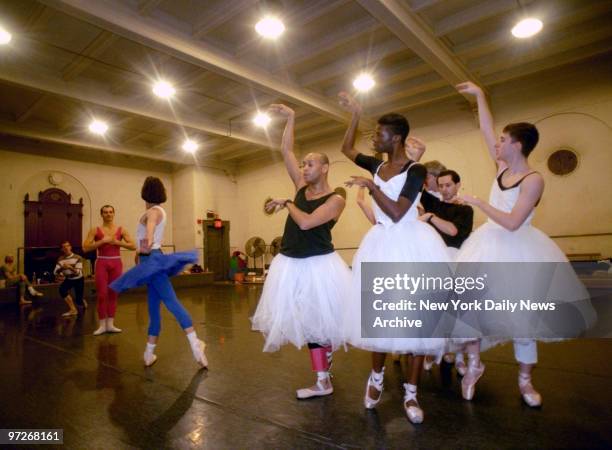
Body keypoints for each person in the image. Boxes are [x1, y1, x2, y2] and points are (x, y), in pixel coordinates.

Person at [453, 81, 596, 406]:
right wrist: (480, 97)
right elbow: (486, 130)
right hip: (486, 246)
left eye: (503, 140)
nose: (497, 144)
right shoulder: (501, 166)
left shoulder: (534, 180)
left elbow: (513, 221)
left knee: (524, 321)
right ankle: (474, 365)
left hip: (519, 248)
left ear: (517, 145)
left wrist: (478, 202)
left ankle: (525, 381)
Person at [338, 91, 450, 424]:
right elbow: (346, 149)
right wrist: (355, 114)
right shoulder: (377, 164)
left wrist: (372, 189)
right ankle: (376, 377)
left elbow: (400, 212)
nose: (375, 139)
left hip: (410, 244)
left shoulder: (415, 171)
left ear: (396, 137)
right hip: (380, 244)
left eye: (380, 134)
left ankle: (412, 393)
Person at [251, 103, 351, 399]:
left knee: (317, 322)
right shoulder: (298, 185)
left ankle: (323, 380)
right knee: (310, 323)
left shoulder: (336, 199)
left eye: (310, 164)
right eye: (304, 164)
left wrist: (286, 203)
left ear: (325, 168)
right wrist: (292, 118)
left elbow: (307, 223)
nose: (304, 168)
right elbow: (286, 151)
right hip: (290, 263)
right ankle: (323, 373)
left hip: (319, 265)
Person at [110, 177, 207, 369]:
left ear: (145, 192)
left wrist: (142, 251)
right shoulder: (158, 211)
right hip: (152, 259)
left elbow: (148, 235)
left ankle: (196, 344)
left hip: (152, 259)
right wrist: (142, 253)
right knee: (153, 308)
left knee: (171, 302)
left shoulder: (153, 212)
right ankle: (148, 354)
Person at [83, 205, 136, 336]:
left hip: (116, 263)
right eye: (105, 212)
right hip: (102, 262)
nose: (108, 214)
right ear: (101, 214)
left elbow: (133, 246)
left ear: (114, 214)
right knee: (102, 295)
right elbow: (85, 248)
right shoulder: (95, 230)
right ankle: (102, 325)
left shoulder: (121, 229)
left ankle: (110, 324)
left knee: (113, 293)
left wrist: (118, 243)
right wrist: (101, 241)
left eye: (110, 212)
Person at [54, 242, 86, 317]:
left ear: (70, 247)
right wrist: (62, 268)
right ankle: (73, 310)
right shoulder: (60, 259)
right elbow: (55, 272)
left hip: (79, 279)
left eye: (68, 246)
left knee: (79, 301)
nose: (66, 248)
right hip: (69, 279)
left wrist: (70, 267)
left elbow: (78, 272)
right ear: (62, 249)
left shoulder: (78, 257)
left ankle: (82, 301)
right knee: (62, 290)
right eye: (64, 247)